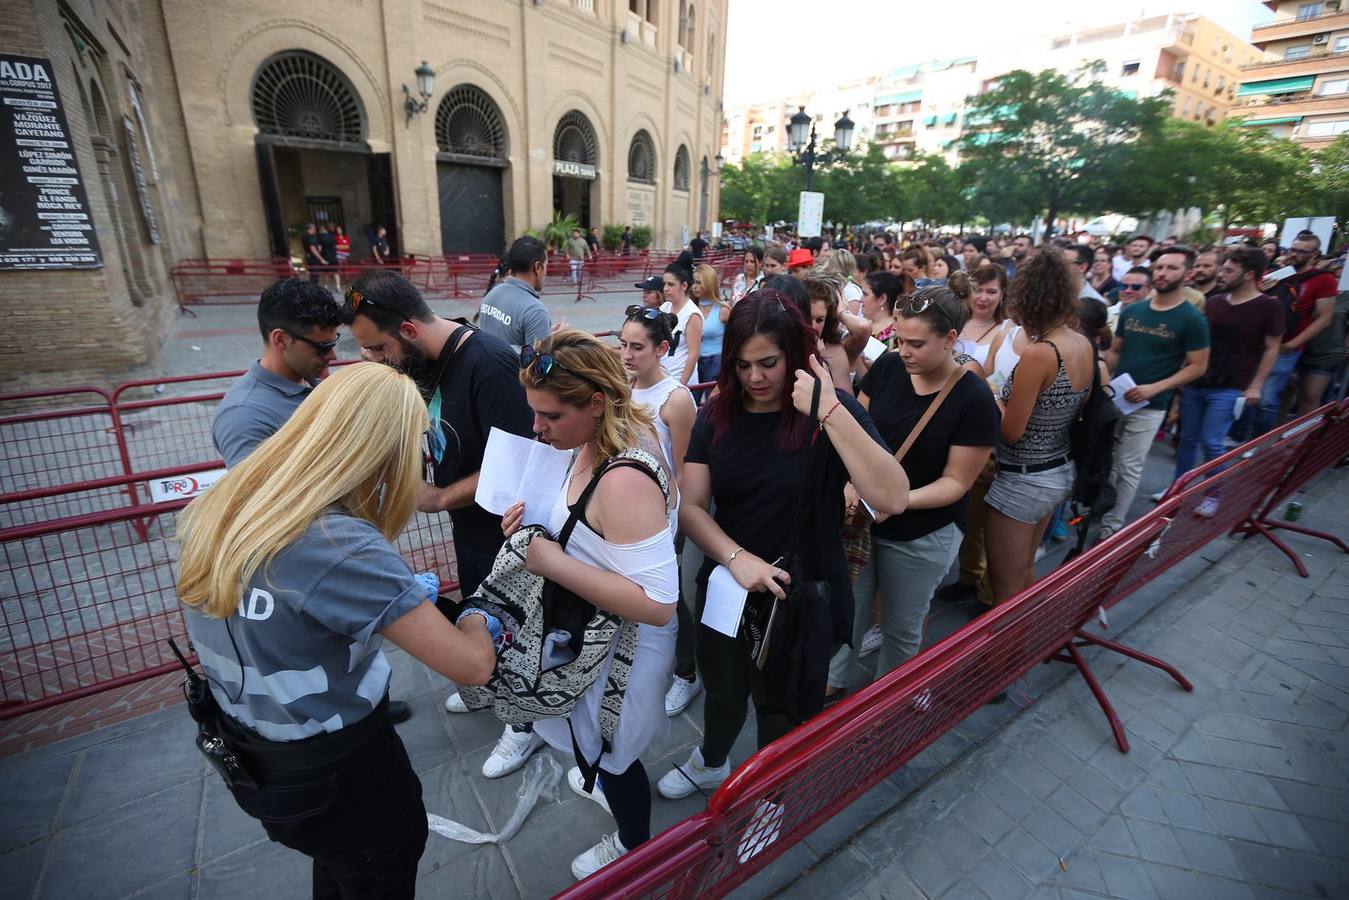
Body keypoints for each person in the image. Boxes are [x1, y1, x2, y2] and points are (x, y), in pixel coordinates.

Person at [177, 362, 500, 897]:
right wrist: (475, 612)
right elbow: (474, 665)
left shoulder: (231, 498)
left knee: (342, 866)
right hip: (337, 765)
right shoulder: (337, 543)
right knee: (379, 866)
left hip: (256, 748)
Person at [656, 291, 908, 800]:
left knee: (785, 709)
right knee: (724, 690)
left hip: (802, 594)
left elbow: (893, 496)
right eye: (743, 364)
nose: (755, 377)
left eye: (768, 363)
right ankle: (711, 759)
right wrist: (735, 557)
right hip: (730, 585)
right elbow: (692, 506)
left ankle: (774, 797)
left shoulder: (828, 412)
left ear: (796, 355)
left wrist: (830, 411)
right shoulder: (717, 414)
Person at [341, 270, 545, 779]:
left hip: (510, 533)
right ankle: (488, 685)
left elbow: (522, 460)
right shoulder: (427, 364)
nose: (374, 360)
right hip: (470, 528)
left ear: (409, 330)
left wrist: (438, 498)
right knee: (482, 611)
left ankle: (524, 725)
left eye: (377, 347)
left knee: (518, 625)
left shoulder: (490, 363)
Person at [504, 328, 678, 879]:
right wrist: (535, 526)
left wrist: (551, 562)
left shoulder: (624, 476)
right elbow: (590, 532)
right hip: (592, 637)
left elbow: (658, 603)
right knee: (596, 747)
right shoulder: (585, 443)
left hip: (622, 653)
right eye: (535, 412)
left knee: (615, 755)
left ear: (596, 402)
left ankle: (635, 847)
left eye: (551, 415)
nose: (537, 427)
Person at [827, 283, 998, 696]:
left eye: (916, 344)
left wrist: (898, 501)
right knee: (850, 611)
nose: (903, 350)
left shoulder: (973, 398)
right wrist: (853, 482)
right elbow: (859, 435)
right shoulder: (887, 367)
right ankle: (832, 683)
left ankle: (889, 703)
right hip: (867, 520)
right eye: (900, 339)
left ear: (951, 339)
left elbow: (957, 482)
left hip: (924, 530)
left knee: (901, 625)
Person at [984, 253, 1095, 603]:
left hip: (1022, 478)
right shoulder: (1081, 343)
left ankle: (1004, 657)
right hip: (1056, 469)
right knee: (1024, 573)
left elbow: (1011, 432)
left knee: (1005, 587)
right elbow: (1076, 410)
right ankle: (1024, 646)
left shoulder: (1040, 354)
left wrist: (988, 392)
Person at [618, 308, 701, 717]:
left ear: (662, 349)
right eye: (623, 345)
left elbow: (685, 472)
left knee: (677, 599)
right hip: (631, 511)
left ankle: (686, 674)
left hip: (668, 519)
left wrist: (674, 524)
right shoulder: (625, 387)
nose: (627, 355)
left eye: (637, 347)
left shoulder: (676, 400)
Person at [1098, 246, 1210, 540]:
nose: (1163, 273)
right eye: (1160, 267)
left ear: (1187, 274)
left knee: (1128, 466)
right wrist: (1105, 383)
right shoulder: (1133, 310)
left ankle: (1112, 529)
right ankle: (1097, 512)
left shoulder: (1191, 319)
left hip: (1151, 404)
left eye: (1172, 268)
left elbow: (1197, 366)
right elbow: (1115, 351)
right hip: (1116, 398)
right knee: (1105, 459)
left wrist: (1155, 388)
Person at [1172, 247, 1283, 500]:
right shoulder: (1214, 302)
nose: (1222, 275)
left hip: (1231, 386)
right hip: (1198, 381)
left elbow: (1271, 349)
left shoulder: (1268, 306)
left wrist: (1256, 385)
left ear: (1249, 275)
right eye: (1222, 269)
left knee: (1212, 443)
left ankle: (1212, 495)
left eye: (1229, 270)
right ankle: (1176, 492)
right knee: (1186, 439)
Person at [212, 278, 340, 468]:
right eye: (322, 347)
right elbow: (259, 496)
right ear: (281, 339)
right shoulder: (244, 416)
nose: (333, 356)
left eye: (333, 343)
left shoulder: (313, 383)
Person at [1268, 233, 1339, 423]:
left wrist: (1292, 345)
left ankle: (1295, 441)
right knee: (1276, 394)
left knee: (1302, 395)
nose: (1294, 254)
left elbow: (1324, 318)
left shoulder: (1324, 279)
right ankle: (1276, 435)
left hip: (1296, 346)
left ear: (1314, 254)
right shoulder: (1282, 273)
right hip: (1272, 342)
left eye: (1301, 251)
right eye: (1292, 249)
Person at [477, 236, 551, 351]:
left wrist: (542, 332)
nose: (546, 271)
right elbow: (537, 365)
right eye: (546, 265)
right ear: (537, 267)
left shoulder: (492, 294)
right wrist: (557, 341)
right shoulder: (536, 311)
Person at [659, 262, 704, 386]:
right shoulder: (665, 307)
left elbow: (693, 355)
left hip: (680, 380)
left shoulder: (692, 315)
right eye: (664, 284)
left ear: (684, 285)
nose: (665, 288)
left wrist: (681, 385)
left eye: (671, 284)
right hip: (662, 378)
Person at [693, 263, 727, 390]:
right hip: (694, 362)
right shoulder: (690, 309)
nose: (694, 287)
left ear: (708, 283)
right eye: (693, 282)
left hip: (716, 362)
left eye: (698, 283)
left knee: (712, 404)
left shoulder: (723, 309)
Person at [334, 225, 351, 291]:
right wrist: (343, 246)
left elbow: (347, 247)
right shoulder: (335, 238)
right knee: (339, 270)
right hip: (338, 256)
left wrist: (339, 246)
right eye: (337, 230)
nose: (339, 231)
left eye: (340, 229)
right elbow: (335, 246)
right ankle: (339, 284)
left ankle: (346, 284)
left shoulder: (346, 237)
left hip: (346, 256)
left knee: (346, 270)